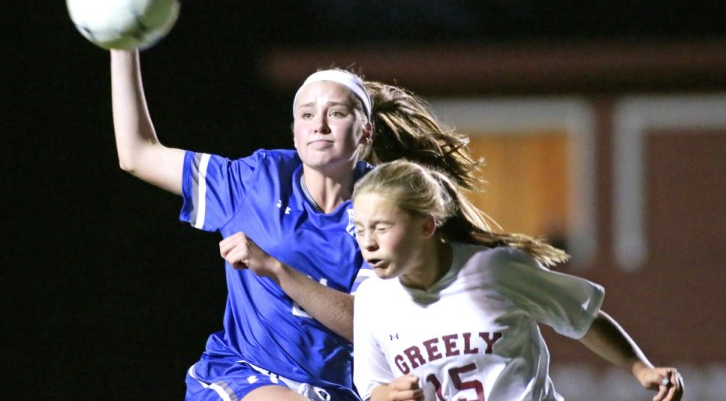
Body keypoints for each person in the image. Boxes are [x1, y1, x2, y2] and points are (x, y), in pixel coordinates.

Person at [109, 49, 483, 400]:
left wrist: (274, 268)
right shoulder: (253, 179)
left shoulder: (387, 205)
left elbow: (368, 325)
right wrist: (122, 45)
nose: (319, 125)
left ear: (365, 132)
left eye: (336, 113)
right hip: (245, 374)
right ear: (294, 133)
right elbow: (137, 154)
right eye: (306, 115)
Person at [351, 160, 684, 401]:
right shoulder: (371, 300)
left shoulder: (496, 270)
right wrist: (387, 396)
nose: (368, 242)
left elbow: (583, 318)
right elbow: (373, 389)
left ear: (427, 226)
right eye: (360, 228)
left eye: (381, 227)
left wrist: (641, 369)